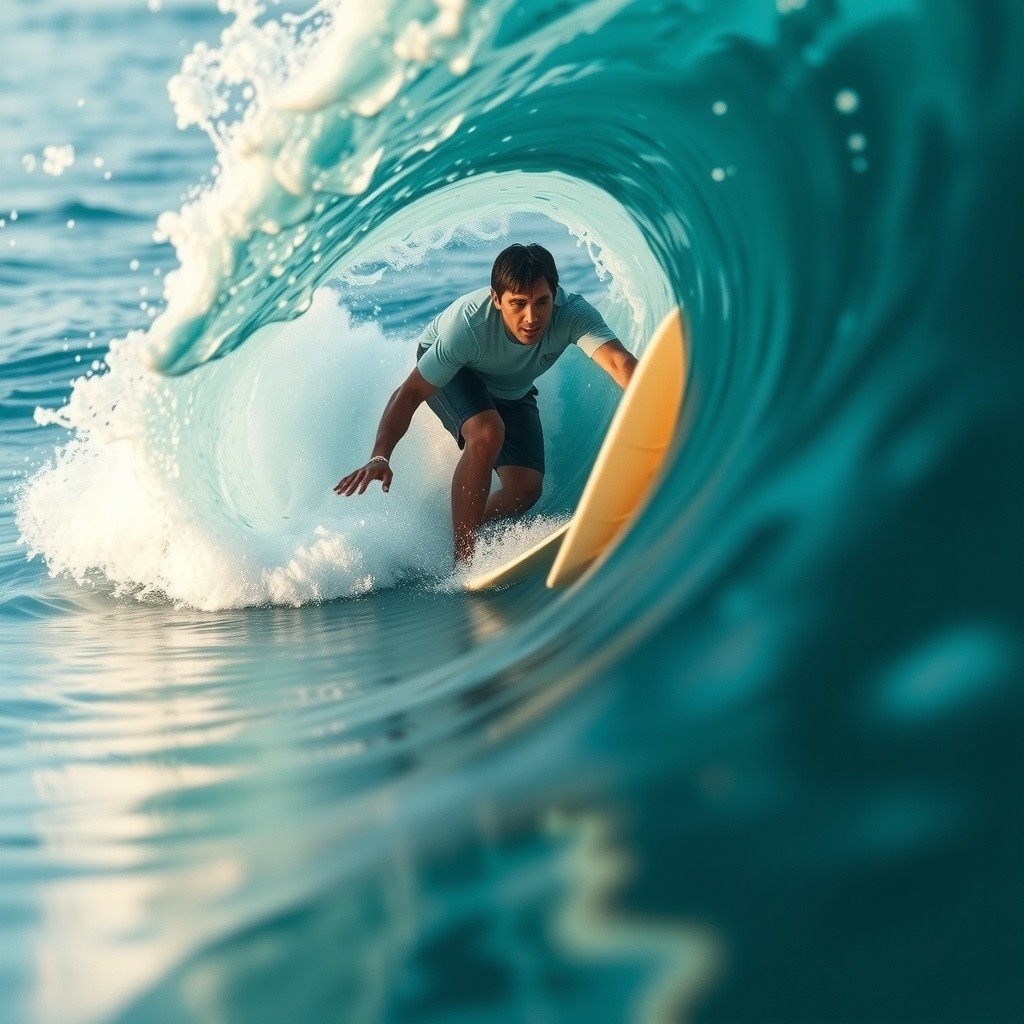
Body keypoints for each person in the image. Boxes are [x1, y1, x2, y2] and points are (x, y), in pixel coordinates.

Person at [333, 242, 637, 563]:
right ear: (496, 299)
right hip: (458, 368)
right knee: (487, 431)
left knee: (525, 490)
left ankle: (474, 528)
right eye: (518, 304)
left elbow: (619, 363)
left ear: (555, 293)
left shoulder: (572, 314)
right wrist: (380, 456)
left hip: (510, 388)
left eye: (542, 302)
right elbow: (408, 393)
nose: (532, 317)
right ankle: (462, 560)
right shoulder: (468, 328)